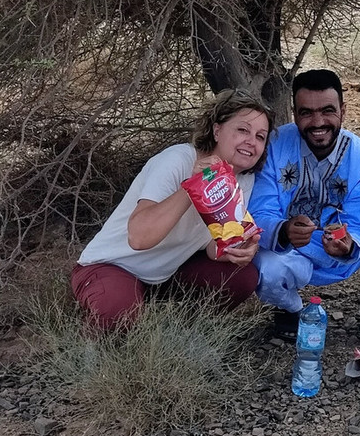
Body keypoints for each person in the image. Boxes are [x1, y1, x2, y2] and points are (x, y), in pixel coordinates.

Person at [72, 90, 272, 331]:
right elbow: (139, 238)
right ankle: (99, 334)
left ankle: (180, 334)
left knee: (242, 277)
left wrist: (238, 249)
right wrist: (194, 186)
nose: (252, 141)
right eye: (242, 130)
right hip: (113, 265)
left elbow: (213, 246)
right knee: (118, 311)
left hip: (166, 274)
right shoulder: (178, 160)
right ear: (217, 130)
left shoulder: (242, 180)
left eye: (260, 136)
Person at [249, 69, 360, 341]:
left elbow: (359, 219)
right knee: (263, 265)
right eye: (306, 113)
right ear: (295, 114)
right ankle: (293, 310)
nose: (317, 122)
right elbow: (260, 212)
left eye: (327, 111)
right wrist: (283, 230)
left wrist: (349, 244)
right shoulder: (274, 146)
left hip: (339, 249)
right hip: (292, 251)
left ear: (343, 111)